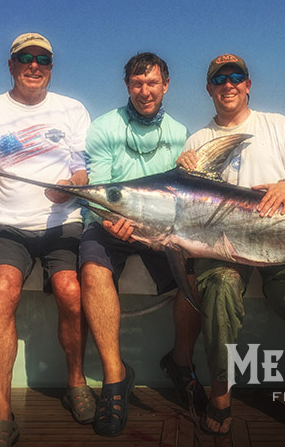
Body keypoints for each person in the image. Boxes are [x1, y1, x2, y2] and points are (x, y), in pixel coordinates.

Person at [177, 54, 285, 444]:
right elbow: (183, 205)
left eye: (236, 77)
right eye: (220, 79)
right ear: (209, 89)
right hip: (221, 250)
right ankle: (221, 395)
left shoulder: (276, 125)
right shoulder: (198, 141)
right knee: (217, 288)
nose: (228, 84)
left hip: (281, 244)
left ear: (248, 85)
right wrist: (183, 169)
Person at [0, 33, 92, 446]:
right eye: (25, 58)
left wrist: (70, 186)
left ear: (52, 66)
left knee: (71, 290)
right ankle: (1, 411)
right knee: (1, 289)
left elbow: (83, 172)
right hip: (5, 225)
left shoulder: (72, 110)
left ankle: (76, 383)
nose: (34, 65)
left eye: (43, 59)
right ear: (11, 65)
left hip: (61, 222)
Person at [77, 52, 205, 437]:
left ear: (165, 85)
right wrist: (108, 220)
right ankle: (115, 377)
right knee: (92, 270)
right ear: (127, 86)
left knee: (196, 280)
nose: (144, 91)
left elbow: (186, 194)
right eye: (137, 83)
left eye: (152, 83)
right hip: (110, 224)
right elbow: (97, 191)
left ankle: (180, 362)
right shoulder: (104, 126)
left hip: (162, 229)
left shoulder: (182, 133)